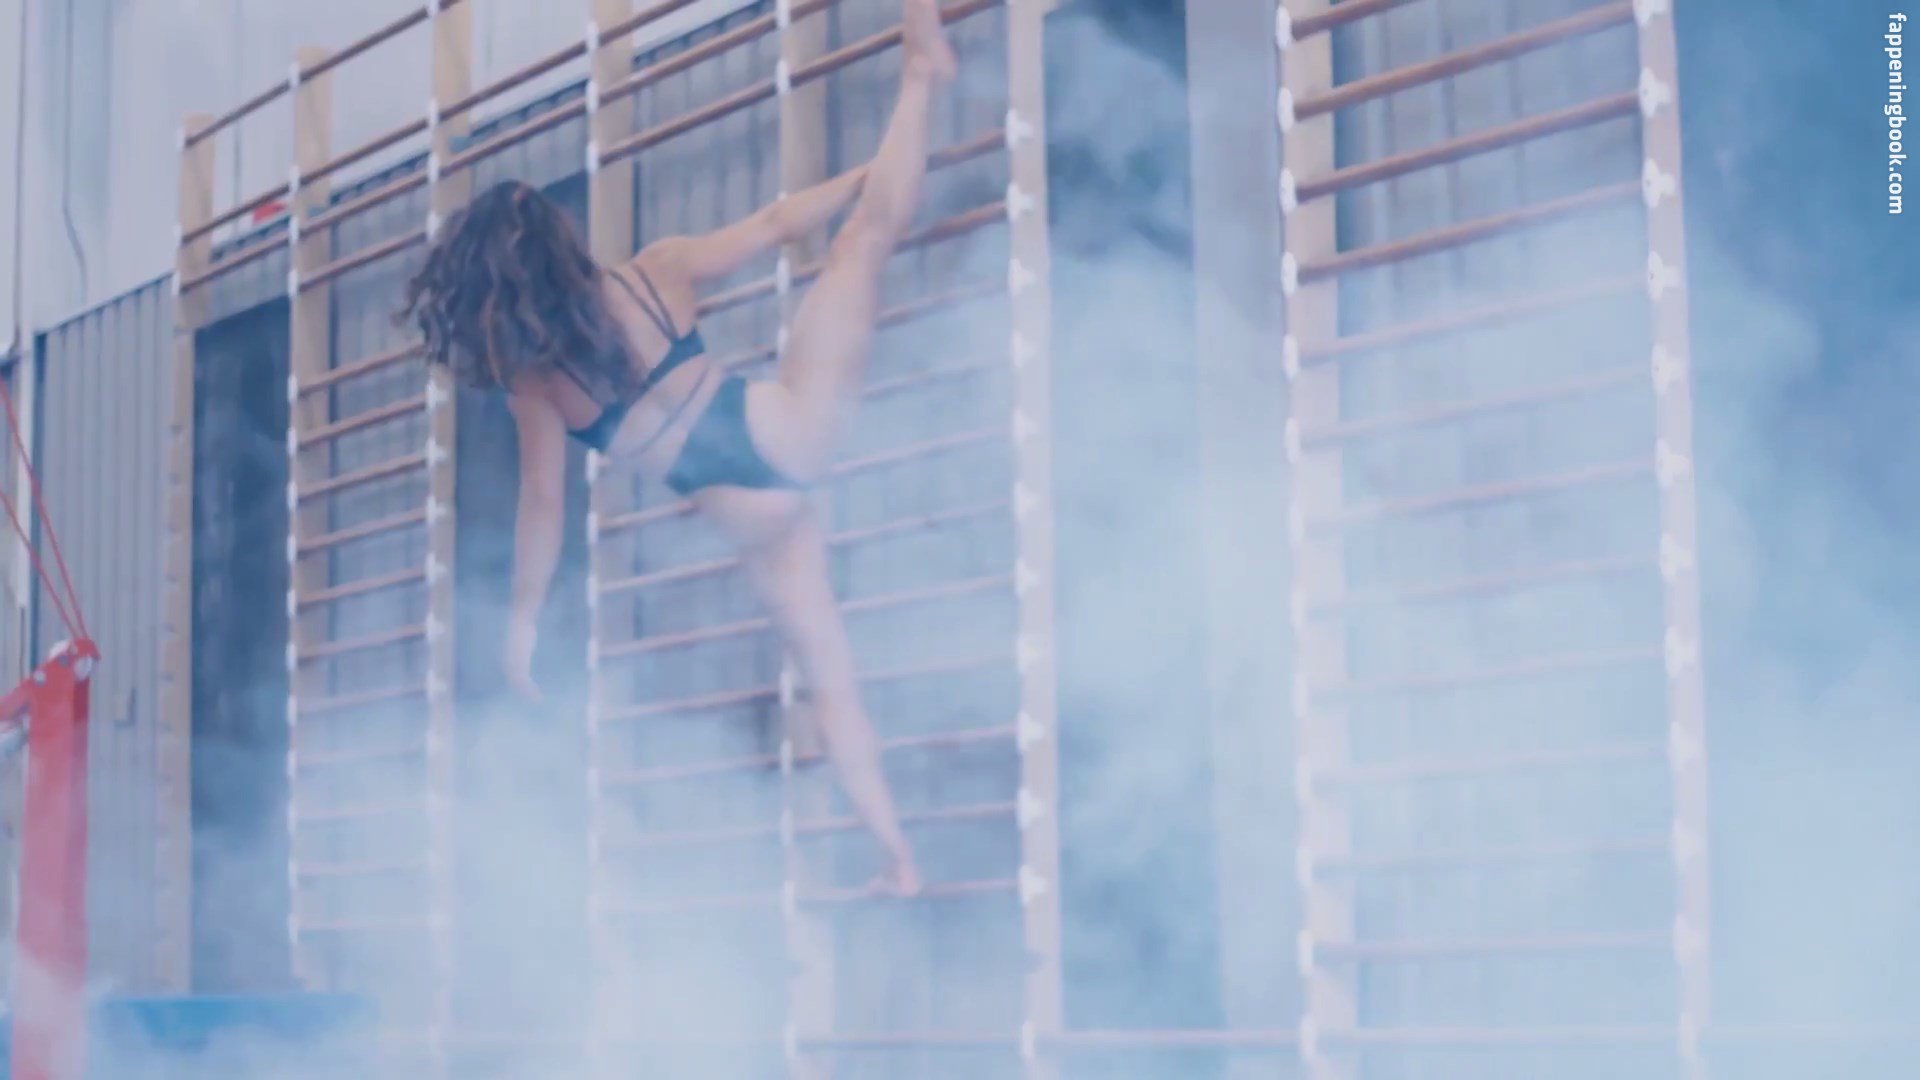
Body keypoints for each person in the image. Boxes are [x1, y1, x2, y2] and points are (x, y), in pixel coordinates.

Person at [399, 0, 959, 896]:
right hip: (791, 431)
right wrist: (869, 175)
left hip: (758, 523)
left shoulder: (534, 385)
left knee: (831, 680)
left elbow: (543, 506)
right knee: (861, 241)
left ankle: (900, 857)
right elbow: (778, 222)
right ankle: (921, 77)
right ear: (560, 244)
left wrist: (522, 628)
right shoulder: (652, 274)